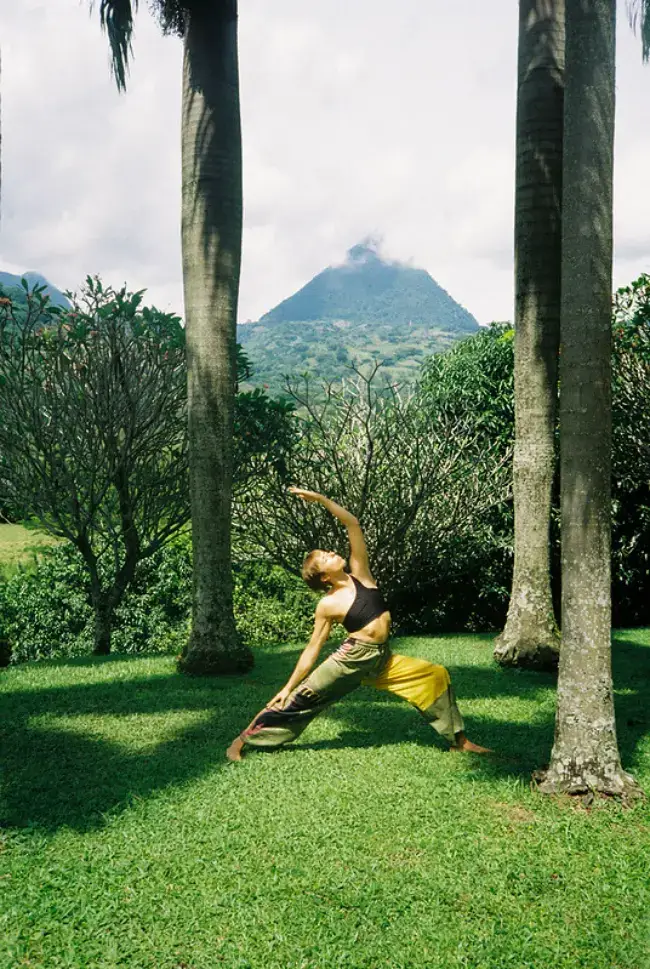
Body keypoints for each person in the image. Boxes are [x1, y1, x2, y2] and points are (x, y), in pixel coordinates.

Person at [226, 487, 491, 761]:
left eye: (327, 552)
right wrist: (287, 686)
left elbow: (352, 523)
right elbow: (312, 648)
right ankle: (240, 741)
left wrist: (321, 499)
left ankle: (459, 742)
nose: (331, 553)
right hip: (351, 660)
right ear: (324, 577)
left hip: (381, 659)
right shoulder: (328, 604)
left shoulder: (361, 574)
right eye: (325, 558)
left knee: (435, 675)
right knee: (298, 699)